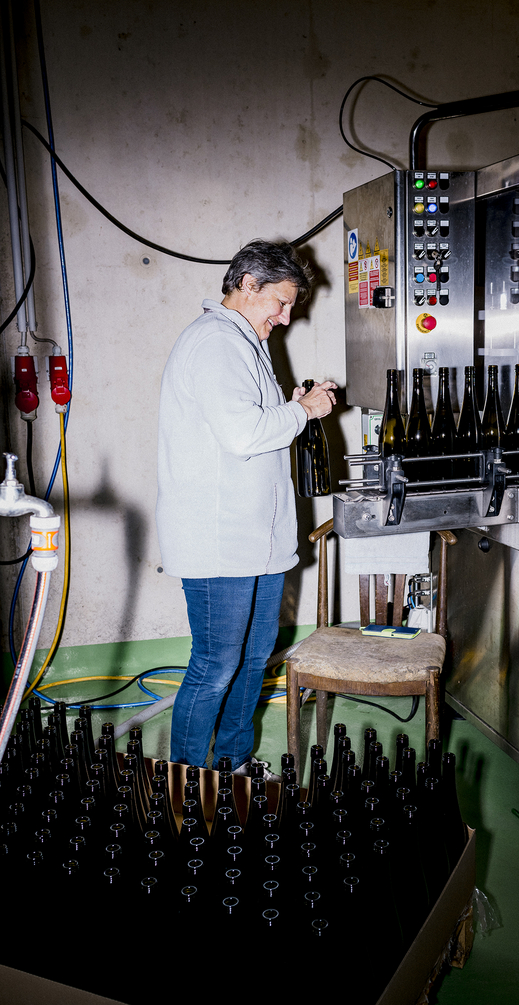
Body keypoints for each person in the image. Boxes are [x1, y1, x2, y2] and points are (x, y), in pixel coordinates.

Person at [156, 239, 337, 777]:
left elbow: (251, 424)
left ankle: (232, 763)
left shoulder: (243, 340)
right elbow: (242, 434)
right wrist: (301, 411)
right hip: (220, 545)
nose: (284, 318)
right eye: (279, 303)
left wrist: (292, 406)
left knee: (252, 662)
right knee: (215, 667)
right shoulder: (215, 341)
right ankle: (185, 780)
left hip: (257, 542)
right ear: (248, 285)